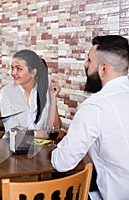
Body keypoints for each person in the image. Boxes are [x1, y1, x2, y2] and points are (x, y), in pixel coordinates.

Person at [51, 35, 129, 200]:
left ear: (103, 69)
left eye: (89, 60)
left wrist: (65, 143)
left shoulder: (95, 106)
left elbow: (63, 162)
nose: (85, 65)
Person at [0, 49, 61, 136]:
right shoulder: (7, 93)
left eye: (19, 69)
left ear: (33, 72)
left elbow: (55, 130)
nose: (13, 73)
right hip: (15, 148)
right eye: (12, 68)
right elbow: (13, 132)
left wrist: (53, 98)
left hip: (43, 148)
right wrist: (42, 134)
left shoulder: (47, 92)